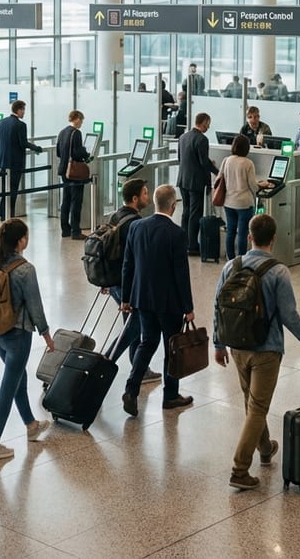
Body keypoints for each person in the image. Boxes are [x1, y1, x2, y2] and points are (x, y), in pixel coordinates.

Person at [213, 214, 300, 490]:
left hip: (237, 346)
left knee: (252, 405)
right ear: (273, 239)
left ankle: (264, 448)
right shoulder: (278, 271)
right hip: (267, 349)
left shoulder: (231, 266)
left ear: (249, 236)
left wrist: (217, 344)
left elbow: (218, 305)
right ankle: (239, 469)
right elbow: (289, 314)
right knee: (258, 407)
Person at [0, 218, 53, 461]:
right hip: (18, 334)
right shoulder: (25, 269)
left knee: (18, 378)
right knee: (8, 387)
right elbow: (35, 305)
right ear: (21, 241)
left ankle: (31, 425)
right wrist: (46, 334)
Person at [120, 184, 195, 417]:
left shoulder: (137, 227)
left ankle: (131, 389)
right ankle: (170, 396)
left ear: (154, 202)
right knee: (171, 347)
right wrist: (188, 307)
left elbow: (128, 265)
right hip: (168, 301)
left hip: (142, 297)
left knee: (147, 342)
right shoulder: (177, 234)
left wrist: (125, 297)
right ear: (173, 206)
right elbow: (181, 274)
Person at [101, 178, 161, 384]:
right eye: (145, 193)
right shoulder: (136, 224)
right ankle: (102, 366)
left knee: (133, 326)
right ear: (135, 198)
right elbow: (136, 261)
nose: (148, 196)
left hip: (115, 282)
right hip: (129, 286)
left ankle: (140, 369)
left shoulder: (116, 216)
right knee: (133, 328)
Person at [0, 99, 43, 220]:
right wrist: (36, 148)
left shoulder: (0, 123)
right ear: (19, 110)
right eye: (23, 110)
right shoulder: (21, 125)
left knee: (5, 189)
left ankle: (3, 213)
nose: (24, 113)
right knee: (13, 190)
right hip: (15, 163)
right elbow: (23, 143)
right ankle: (9, 214)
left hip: (2, 162)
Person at [176, 112, 219, 256]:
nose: (209, 126)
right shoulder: (202, 139)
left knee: (186, 211)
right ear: (204, 122)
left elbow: (180, 159)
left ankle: (183, 242)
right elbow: (203, 162)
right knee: (195, 213)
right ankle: (193, 245)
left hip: (183, 180)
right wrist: (217, 171)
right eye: (208, 123)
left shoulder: (183, 137)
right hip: (196, 182)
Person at [218, 135, 262, 261]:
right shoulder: (248, 163)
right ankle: (241, 260)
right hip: (244, 204)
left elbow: (219, 178)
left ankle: (230, 259)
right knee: (243, 233)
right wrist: (261, 185)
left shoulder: (226, 160)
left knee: (230, 231)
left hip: (229, 202)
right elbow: (253, 186)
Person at [56, 110, 90, 240]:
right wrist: (86, 154)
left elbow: (58, 152)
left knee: (66, 200)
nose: (81, 123)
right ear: (76, 118)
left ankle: (65, 229)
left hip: (64, 169)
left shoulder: (62, 132)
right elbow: (77, 152)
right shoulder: (76, 133)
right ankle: (76, 231)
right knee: (76, 201)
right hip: (75, 172)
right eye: (81, 120)